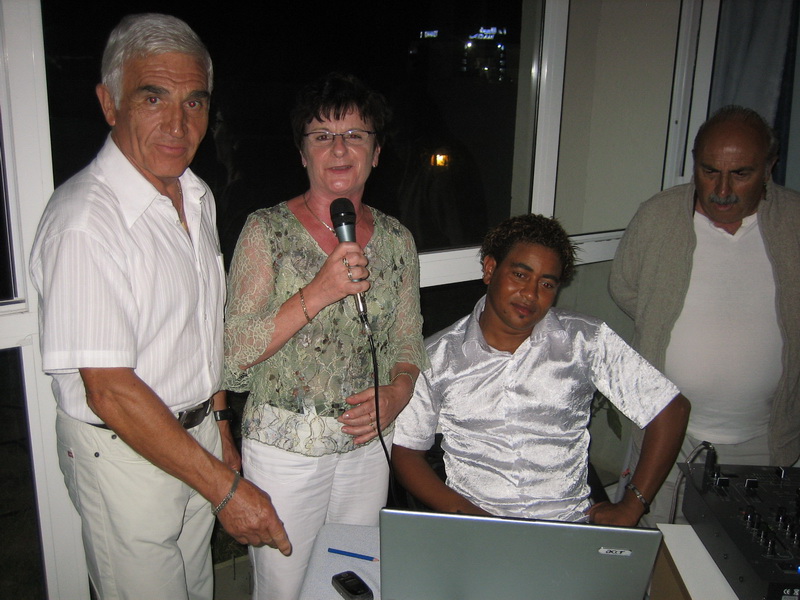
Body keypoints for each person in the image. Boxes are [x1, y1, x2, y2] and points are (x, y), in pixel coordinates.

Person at [29, 14, 290, 600]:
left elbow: (201, 330)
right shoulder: (85, 222)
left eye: (194, 102)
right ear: (109, 103)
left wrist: (219, 426)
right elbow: (110, 391)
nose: (179, 124)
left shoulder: (195, 196)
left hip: (194, 438)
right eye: (153, 98)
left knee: (195, 588)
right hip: (124, 455)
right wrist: (226, 490)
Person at [223, 71, 428, 600]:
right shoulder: (265, 230)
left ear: (376, 152)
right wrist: (318, 291)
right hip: (285, 451)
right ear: (302, 153)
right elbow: (235, 352)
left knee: (351, 580)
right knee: (285, 586)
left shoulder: (397, 240)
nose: (339, 149)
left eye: (355, 134)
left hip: (367, 446)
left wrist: (399, 391)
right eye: (322, 136)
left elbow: (408, 339)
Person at [392, 214, 689, 525]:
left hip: (569, 524)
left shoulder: (584, 340)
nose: (531, 294)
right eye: (520, 275)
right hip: (477, 525)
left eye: (546, 283)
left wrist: (633, 504)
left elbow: (671, 409)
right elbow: (406, 453)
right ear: (490, 269)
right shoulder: (437, 356)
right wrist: (475, 520)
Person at [609, 105, 800, 526]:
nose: (722, 190)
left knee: (740, 555)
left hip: (766, 442)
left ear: (769, 168)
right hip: (665, 438)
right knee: (656, 552)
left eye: (741, 174)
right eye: (709, 171)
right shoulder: (658, 217)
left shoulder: (795, 222)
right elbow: (625, 288)